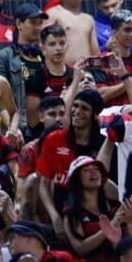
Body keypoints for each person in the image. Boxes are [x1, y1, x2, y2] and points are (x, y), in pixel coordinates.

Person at [36, 89, 105, 234]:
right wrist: (54, 216)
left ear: (95, 115)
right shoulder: (54, 139)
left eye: (85, 108)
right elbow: (44, 184)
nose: (77, 111)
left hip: (93, 210)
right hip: (61, 206)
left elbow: (106, 185)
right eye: (75, 105)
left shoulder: (103, 145)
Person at [0, 3, 48, 135]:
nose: (38, 27)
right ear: (19, 24)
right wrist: (13, 129)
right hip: (18, 129)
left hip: (45, 127)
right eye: (33, 22)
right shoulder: (3, 57)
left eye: (40, 23)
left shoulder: (45, 56)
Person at [62, 156, 121, 262]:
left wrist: (131, 221)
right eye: (86, 170)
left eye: (96, 169)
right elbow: (80, 248)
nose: (94, 172)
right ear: (76, 178)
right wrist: (107, 230)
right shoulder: (72, 213)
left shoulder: (114, 208)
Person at [95, 9, 132, 107]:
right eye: (127, 30)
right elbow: (101, 95)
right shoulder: (100, 61)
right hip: (111, 115)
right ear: (114, 32)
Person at [23, 25, 73, 136]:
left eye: (62, 43)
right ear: (42, 48)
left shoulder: (75, 75)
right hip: (42, 136)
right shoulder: (35, 78)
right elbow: (33, 121)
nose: (58, 48)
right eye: (52, 44)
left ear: (67, 46)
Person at [43, 0, 99, 65]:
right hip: (61, 72)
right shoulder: (52, 14)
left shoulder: (89, 19)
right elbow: (42, 45)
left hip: (87, 71)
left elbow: (95, 53)